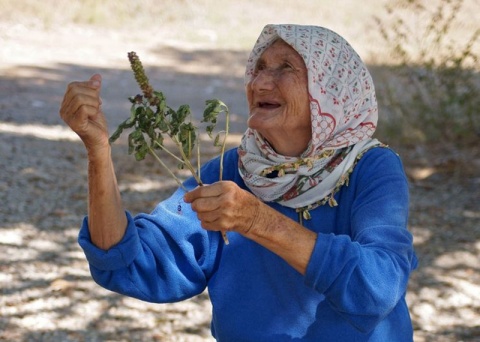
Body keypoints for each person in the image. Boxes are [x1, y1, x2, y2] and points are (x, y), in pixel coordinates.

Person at [59, 24, 417, 341]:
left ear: (330, 89)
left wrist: (258, 221)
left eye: (286, 68)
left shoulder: (370, 167)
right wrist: (98, 151)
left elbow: (377, 288)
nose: (260, 82)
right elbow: (127, 264)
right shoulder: (233, 171)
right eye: (259, 68)